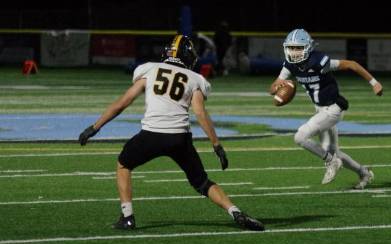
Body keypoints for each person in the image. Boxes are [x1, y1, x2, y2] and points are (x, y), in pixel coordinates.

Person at [78, 34, 264, 232]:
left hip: (151, 135)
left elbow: (123, 102)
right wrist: (216, 144)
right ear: (188, 56)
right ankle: (235, 211)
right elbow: (200, 112)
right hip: (179, 138)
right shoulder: (195, 79)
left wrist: (95, 127)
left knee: (123, 164)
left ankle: (127, 217)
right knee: (202, 182)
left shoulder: (150, 69)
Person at [269, 28, 382, 189]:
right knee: (333, 150)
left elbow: (352, 65)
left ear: (307, 47)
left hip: (334, 108)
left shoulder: (319, 62)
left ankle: (331, 162)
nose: (294, 52)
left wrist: (374, 83)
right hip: (320, 110)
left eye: (298, 48)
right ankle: (364, 172)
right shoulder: (290, 65)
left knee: (300, 137)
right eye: (291, 48)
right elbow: (274, 85)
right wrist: (278, 89)